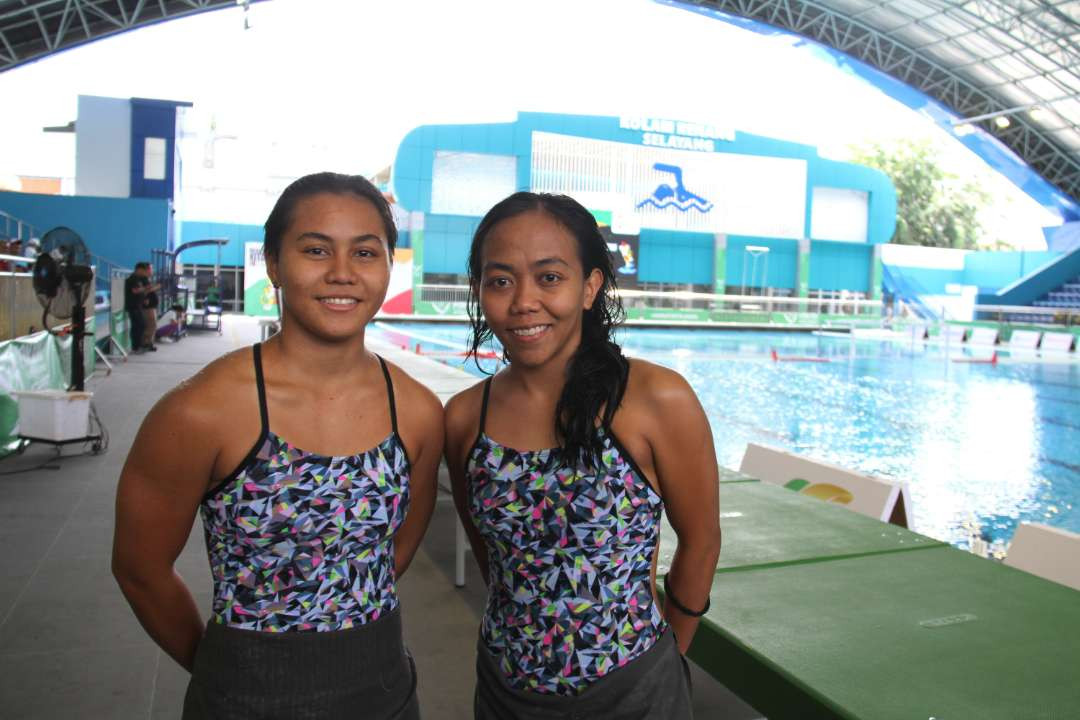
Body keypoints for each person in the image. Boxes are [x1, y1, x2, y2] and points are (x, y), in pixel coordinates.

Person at [113, 172, 443, 719]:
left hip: (383, 689)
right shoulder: (201, 412)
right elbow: (139, 569)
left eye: (365, 252)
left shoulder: (417, 412)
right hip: (242, 696)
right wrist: (226, 668)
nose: (342, 273)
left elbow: (392, 556)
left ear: (388, 265)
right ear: (273, 264)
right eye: (316, 249)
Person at [444, 192, 722, 718]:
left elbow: (702, 540)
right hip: (506, 691)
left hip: (635, 691)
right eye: (500, 280)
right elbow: (494, 559)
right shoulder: (465, 419)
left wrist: (668, 655)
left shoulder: (654, 400)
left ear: (591, 285)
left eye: (550, 277)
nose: (524, 301)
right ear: (479, 290)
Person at [123, 263, 152, 353]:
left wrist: (144, 298)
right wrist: (145, 288)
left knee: (141, 325)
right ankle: (136, 346)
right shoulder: (132, 279)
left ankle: (138, 345)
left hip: (138, 305)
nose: (145, 273)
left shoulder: (139, 279)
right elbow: (135, 290)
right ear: (139, 269)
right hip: (133, 306)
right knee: (138, 326)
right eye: (144, 271)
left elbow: (139, 291)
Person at [143, 264, 159, 351]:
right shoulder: (143, 280)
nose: (152, 271)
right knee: (151, 325)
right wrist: (155, 287)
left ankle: (149, 342)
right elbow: (145, 291)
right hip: (148, 307)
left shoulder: (147, 280)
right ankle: (146, 342)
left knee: (152, 325)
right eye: (151, 269)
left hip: (152, 306)